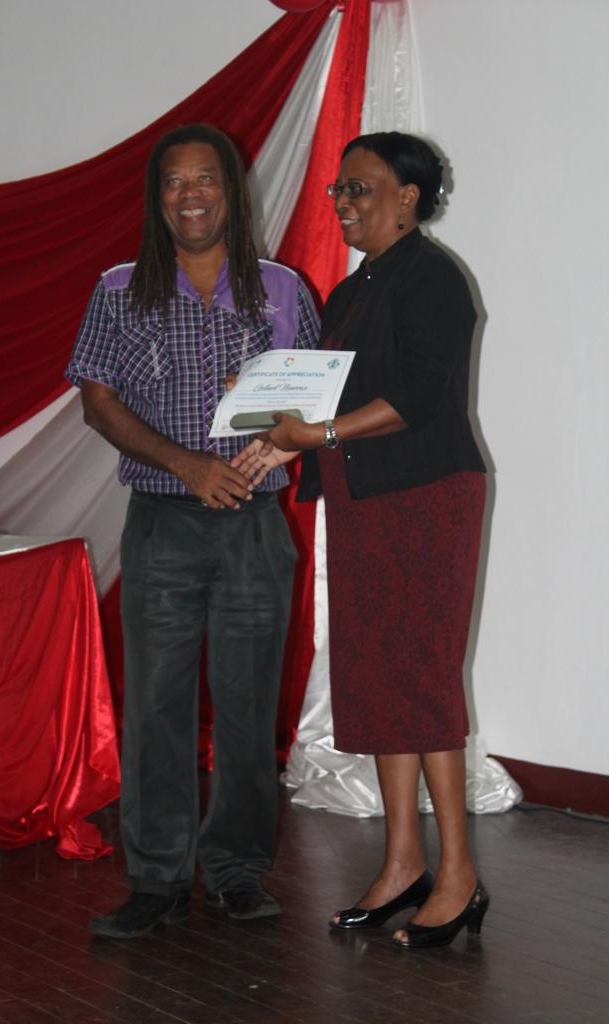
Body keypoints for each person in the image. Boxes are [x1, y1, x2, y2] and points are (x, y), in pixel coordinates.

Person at [233, 131, 489, 949]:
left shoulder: (432, 277)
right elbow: (324, 403)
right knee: (377, 676)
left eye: (360, 189)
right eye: (338, 190)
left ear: (408, 197)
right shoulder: (351, 291)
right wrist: (273, 433)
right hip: (361, 498)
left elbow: (416, 396)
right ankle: (403, 863)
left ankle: (458, 876)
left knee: (421, 676)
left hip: (427, 496)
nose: (342, 203)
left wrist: (314, 434)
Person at [66, 123, 319, 938]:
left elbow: (311, 398)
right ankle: (156, 881)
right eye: (173, 181)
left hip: (254, 524)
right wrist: (187, 466)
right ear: (157, 197)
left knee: (248, 710)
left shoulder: (281, 289)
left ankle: (237, 872)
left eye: (204, 178)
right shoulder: (118, 289)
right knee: (157, 707)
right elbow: (97, 401)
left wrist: (276, 440)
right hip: (161, 524)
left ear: (231, 190)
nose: (190, 195)